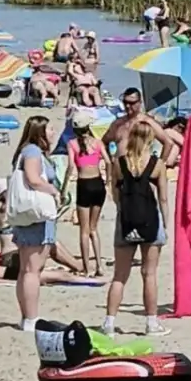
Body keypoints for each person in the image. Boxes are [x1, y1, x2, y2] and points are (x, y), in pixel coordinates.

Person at [102, 121, 171, 337]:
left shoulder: (119, 163)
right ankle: (151, 323)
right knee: (149, 274)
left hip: (126, 221)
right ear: (150, 139)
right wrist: (166, 225)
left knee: (119, 276)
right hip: (151, 220)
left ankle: (109, 322)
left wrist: (124, 208)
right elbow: (163, 199)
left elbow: (114, 193)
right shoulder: (157, 164)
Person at [9, 116, 61, 332]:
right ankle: (31, 317)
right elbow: (33, 178)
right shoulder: (32, 151)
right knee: (32, 270)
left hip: (28, 215)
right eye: (49, 129)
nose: (52, 132)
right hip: (35, 215)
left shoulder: (27, 151)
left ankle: (26, 317)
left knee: (26, 269)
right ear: (40, 132)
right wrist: (53, 191)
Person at [66, 111, 106, 277]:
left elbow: (70, 167)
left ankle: (87, 268)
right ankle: (99, 265)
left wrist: (63, 188)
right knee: (94, 229)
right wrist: (109, 181)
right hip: (98, 184)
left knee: (84, 230)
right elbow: (108, 161)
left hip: (84, 184)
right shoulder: (97, 142)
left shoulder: (72, 144)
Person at [101, 87, 174, 166]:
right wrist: (108, 161)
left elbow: (168, 142)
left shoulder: (147, 122)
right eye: (125, 102)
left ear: (139, 102)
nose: (128, 106)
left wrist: (159, 166)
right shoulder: (118, 123)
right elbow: (103, 142)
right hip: (120, 171)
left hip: (140, 170)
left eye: (131, 103)